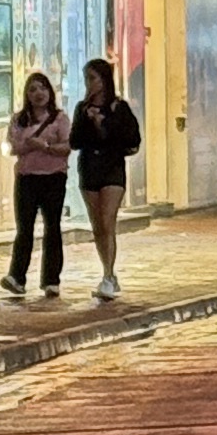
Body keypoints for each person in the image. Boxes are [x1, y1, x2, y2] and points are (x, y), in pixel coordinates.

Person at [71, 56, 142, 301]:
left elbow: (132, 140)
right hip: (90, 168)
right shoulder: (82, 108)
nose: (89, 83)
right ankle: (106, 269)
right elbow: (75, 141)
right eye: (87, 78)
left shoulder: (118, 107)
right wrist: (88, 120)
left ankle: (108, 275)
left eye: (93, 78)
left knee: (107, 218)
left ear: (104, 80)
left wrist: (104, 125)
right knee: (97, 224)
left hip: (112, 168)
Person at [2, 67, 75, 299]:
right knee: (24, 228)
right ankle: (17, 277)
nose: (38, 93)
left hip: (53, 177)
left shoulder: (60, 118)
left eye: (42, 88)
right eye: (32, 89)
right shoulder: (19, 119)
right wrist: (29, 145)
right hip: (27, 178)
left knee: (52, 227)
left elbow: (67, 146)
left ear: (50, 92)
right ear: (27, 95)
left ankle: (51, 280)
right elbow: (13, 146)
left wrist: (45, 147)